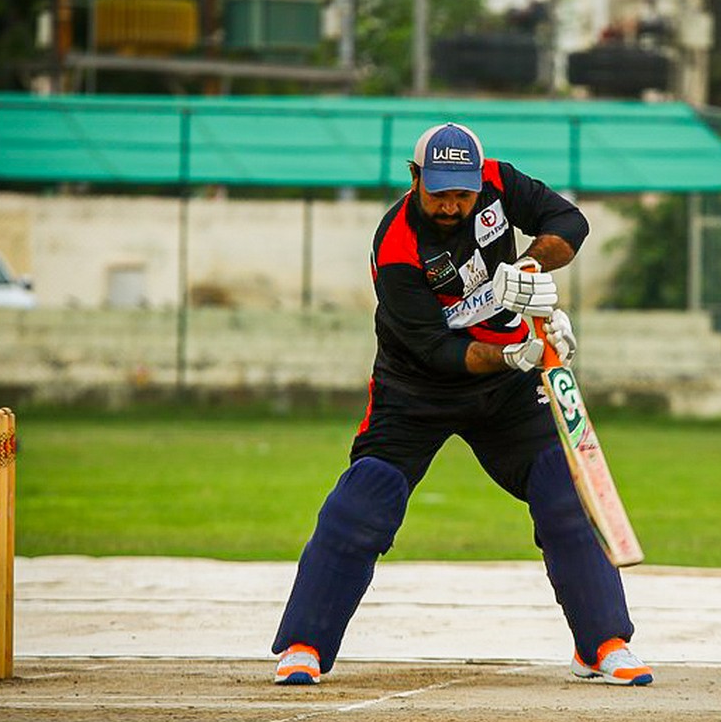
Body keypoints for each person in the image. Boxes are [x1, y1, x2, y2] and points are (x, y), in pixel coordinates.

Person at [271, 122, 652, 687]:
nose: (451, 205)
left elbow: (570, 222)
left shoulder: (498, 181)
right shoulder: (395, 247)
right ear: (415, 178)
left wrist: (528, 268)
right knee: (365, 498)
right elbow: (438, 352)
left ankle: (601, 644)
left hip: (507, 391)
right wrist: (517, 355)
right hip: (415, 390)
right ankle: (304, 645)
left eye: (462, 193)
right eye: (439, 193)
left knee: (562, 488)